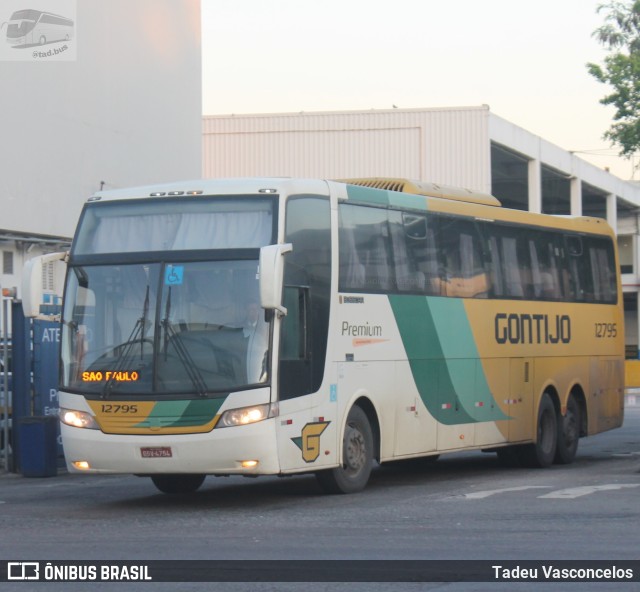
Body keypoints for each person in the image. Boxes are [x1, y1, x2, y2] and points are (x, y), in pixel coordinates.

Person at [243, 301, 268, 383]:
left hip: (261, 361)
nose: (252, 312)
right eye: (250, 310)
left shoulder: (266, 327)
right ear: (246, 312)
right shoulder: (240, 327)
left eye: (254, 309)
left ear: (258, 311)